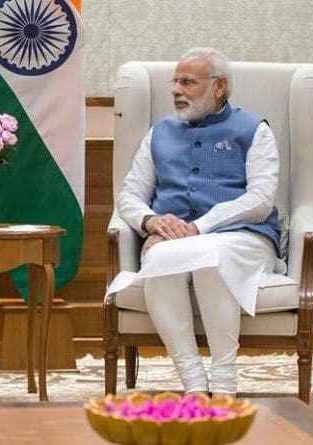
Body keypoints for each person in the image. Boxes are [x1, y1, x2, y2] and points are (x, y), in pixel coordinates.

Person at [110, 47, 285, 397]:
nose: (176, 90)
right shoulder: (159, 133)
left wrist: (197, 228)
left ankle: (224, 383)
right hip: (172, 241)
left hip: (244, 238)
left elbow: (261, 199)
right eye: (175, 82)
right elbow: (129, 195)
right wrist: (151, 222)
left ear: (218, 87)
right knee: (161, 260)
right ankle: (193, 383)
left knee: (207, 256)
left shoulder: (254, 129)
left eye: (188, 82)